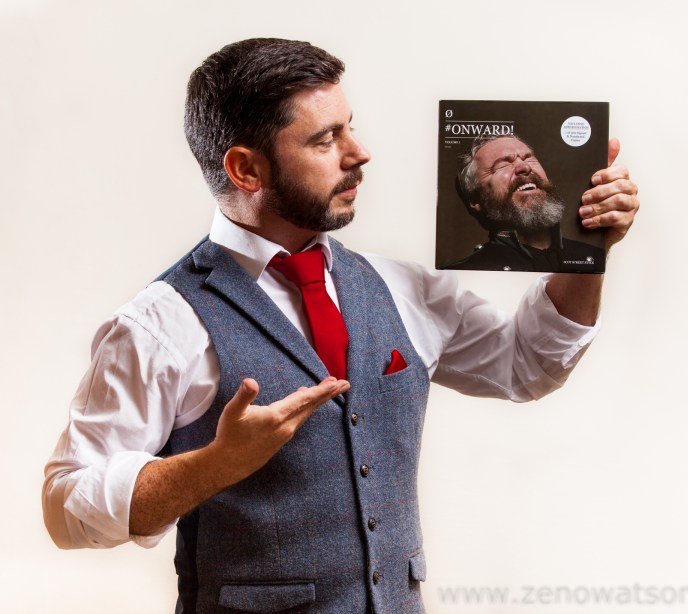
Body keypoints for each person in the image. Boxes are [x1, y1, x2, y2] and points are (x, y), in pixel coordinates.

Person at [42, 38, 639, 613]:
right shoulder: (161, 322)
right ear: (246, 169)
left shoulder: (401, 288)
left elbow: (527, 365)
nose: (359, 153)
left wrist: (587, 249)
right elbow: (66, 503)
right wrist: (214, 464)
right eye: (326, 139)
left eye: (349, 127)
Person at [445, 134, 606, 272]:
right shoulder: (463, 274)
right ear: (475, 199)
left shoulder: (596, 258)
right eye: (503, 165)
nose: (525, 166)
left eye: (529, 158)